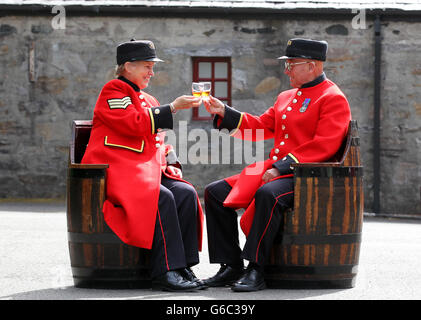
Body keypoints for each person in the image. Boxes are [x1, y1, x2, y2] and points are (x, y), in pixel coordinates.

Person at [202, 38, 351, 292]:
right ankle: (230, 265)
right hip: (278, 171)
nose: (286, 70)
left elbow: (323, 146)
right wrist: (224, 112)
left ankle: (256, 268)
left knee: (267, 194)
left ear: (312, 65)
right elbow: (261, 126)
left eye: (292, 64)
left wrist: (281, 168)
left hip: (309, 175)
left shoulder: (332, 97)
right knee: (215, 192)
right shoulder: (285, 96)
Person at [82, 39, 205, 292]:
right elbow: (134, 124)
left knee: (185, 193)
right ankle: (165, 272)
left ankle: (183, 266)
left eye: (152, 67)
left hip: (144, 170)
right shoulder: (114, 90)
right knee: (160, 197)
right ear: (127, 66)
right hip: (118, 171)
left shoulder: (147, 97)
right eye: (147, 66)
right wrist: (172, 107)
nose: (152, 72)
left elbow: (157, 137)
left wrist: (171, 158)